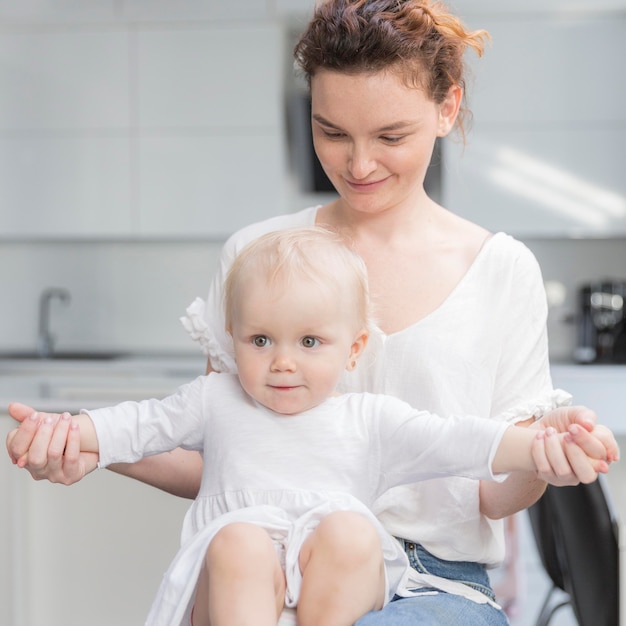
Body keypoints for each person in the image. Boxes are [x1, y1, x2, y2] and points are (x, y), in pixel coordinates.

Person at [4, 1, 619, 623]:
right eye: (332, 132)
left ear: (447, 108)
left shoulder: (501, 270)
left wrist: (547, 460)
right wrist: (93, 445)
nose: (358, 165)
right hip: (264, 564)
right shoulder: (258, 256)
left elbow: (492, 493)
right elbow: (232, 449)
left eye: (390, 136)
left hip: (434, 579)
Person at [7, 227, 617, 626]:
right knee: (237, 540)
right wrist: (64, 430)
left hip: (334, 583)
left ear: (352, 352)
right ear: (233, 339)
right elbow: (136, 425)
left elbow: (461, 440)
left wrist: (542, 443)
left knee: (352, 531)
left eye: (309, 341)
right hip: (239, 588)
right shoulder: (215, 398)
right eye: (260, 339)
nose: (282, 361)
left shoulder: (369, 419)